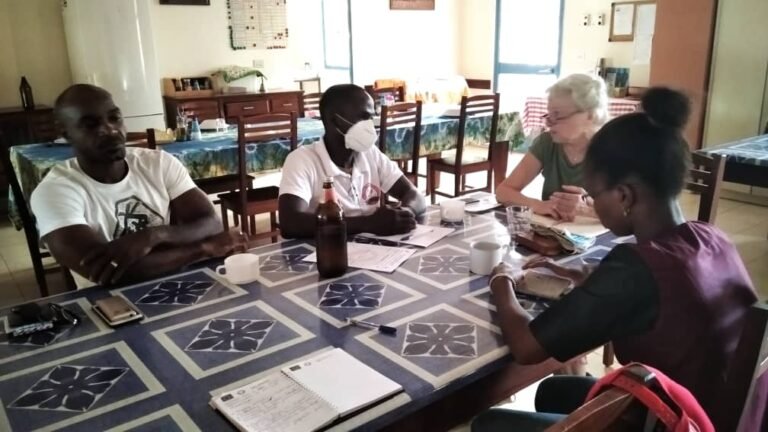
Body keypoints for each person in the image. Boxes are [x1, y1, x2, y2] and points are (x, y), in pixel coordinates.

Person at [473, 87, 759, 431]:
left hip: (673, 420)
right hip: (707, 407)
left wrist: (502, 279)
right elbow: (658, 291)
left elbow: (526, 348)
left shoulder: (634, 269)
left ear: (624, 195)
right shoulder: (710, 236)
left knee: (490, 423)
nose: (592, 203)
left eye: (594, 195)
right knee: (553, 389)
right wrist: (581, 273)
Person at [30, 84, 248, 287]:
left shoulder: (157, 163)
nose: (110, 129)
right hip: (111, 305)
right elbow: (109, 273)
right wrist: (204, 248)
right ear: (66, 133)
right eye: (90, 124)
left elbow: (210, 223)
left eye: (114, 118)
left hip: (178, 285)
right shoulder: (55, 191)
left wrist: (153, 235)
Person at [278, 84, 426, 238]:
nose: (370, 125)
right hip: (326, 251)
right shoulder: (302, 160)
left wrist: (405, 214)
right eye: (363, 117)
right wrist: (367, 224)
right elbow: (290, 222)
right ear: (335, 121)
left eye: (371, 117)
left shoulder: (370, 154)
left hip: (375, 253)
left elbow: (414, 195)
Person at [496, 74, 608, 221]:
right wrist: (537, 205)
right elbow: (503, 191)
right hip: (553, 237)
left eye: (558, 116)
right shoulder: (547, 143)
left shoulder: (614, 149)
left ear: (590, 115)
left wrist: (589, 210)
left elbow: (633, 214)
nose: (549, 123)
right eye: (549, 115)